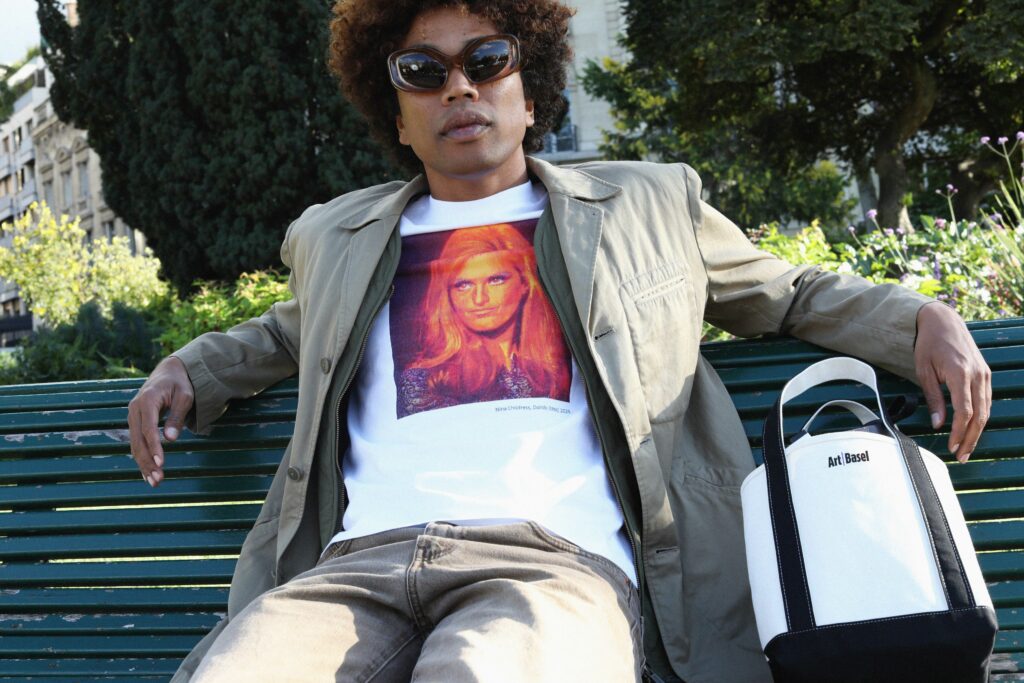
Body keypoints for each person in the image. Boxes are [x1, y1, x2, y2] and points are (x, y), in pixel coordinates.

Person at [127, 1, 992, 681]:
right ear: (397, 115)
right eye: (423, 72)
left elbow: (790, 291)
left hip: (548, 568)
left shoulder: (646, 207)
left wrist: (921, 319)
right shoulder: (339, 238)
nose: (458, 89)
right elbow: (290, 328)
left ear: (531, 92)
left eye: (486, 61)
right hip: (355, 571)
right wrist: (190, 368)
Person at [398, 223, 571, 417]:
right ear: (448, 294)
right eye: (463, 285)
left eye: (495, 280)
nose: (479, 299)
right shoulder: (426, 381)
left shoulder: (559, 365)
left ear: (525, 283)